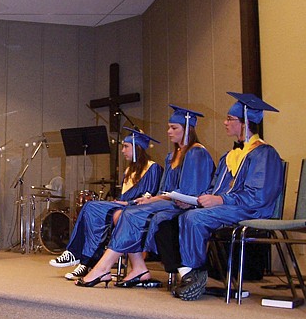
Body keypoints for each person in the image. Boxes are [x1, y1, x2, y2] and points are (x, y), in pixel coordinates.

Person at [154, 92, 284, 300]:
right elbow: (215, 188)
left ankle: (196, 273)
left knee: (194, 218)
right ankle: (187, 274)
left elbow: (259, 196)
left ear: (244, 123)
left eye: (230, 119)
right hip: (227, 208)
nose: (225, 122)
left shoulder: (264, 154)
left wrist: (221, 200)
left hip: (252, 209)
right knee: (168, 218)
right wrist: (195, 201)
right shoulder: (230, 156)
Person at [75, 104, 215, 288]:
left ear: (188, 128)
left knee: (131, 214)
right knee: (130, 211)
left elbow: (189, 194)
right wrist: (151, 199)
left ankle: (102, 268)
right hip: (169, 202)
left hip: (187, 205)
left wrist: (157, 200)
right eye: (169, 127)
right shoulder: (171, 155)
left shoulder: (196, 152)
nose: (169, 131)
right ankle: (137, 269)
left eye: (174, 128)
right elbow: (165, 190)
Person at [48, 127, 163, 281]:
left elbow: (149, 196)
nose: (122, 151)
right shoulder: (129, 170)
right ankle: (85, 261)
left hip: (138, 210)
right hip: (124, 206)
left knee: (92, 207)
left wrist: (126, 202)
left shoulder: (153, 168)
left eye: (126, 147)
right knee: (91, 208)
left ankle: (79, 256)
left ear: (137, 148)